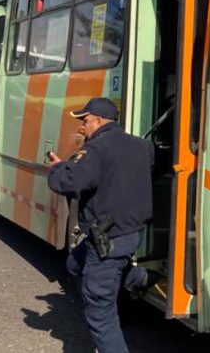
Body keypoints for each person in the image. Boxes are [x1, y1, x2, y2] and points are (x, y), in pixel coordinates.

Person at [47, 97, 153, 353]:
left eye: (85, 121)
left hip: (107, 240)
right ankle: (138, 277)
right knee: (74, 264)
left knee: (99, 310)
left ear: (98, 121)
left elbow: (69, 182)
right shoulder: (142, 146)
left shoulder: (96, 149)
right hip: (132, 234)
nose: (82, 127)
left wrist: (57, 168)